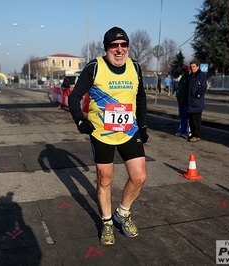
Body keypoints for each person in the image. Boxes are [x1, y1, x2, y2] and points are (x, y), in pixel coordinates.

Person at [68, 26, 149, 246]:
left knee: (139, 176)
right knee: (105, 179)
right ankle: (106, 222)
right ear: (107, 48)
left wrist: (142, 125)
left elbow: (140, 98)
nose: (120, 49)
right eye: (114, 45)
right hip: (102, 133)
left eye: (124, 45)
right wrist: (80, 120)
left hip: (129, 131)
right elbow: (74, 97)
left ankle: (122, 213)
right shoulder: (95, 67)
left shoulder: (135, 68)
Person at [187, 60, 207, 142]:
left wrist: (198, 95)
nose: (192, 68)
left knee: (196, 120)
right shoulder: (191, 76)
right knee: (191, 120)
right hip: (190, 101)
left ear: (198, 66)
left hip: (197, 102)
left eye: (194, 66)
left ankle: (197, 135)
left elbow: (203, 87)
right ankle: (192, 134)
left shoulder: (201, 75)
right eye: (191, 67)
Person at [175, 66, 190, 138]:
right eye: (183, 71)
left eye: (186, 71)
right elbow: (179, 88)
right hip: (180, 101)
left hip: (186, 101)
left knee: (186, 117)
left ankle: (187, 131)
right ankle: (181, 130)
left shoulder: (189, 79)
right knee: (181, 116)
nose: (184, 72)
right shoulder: (182, 79)